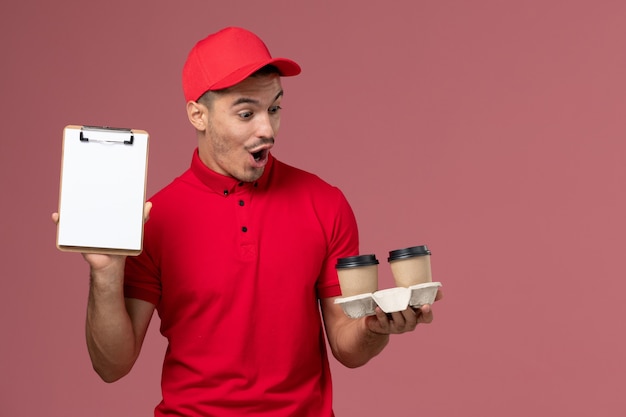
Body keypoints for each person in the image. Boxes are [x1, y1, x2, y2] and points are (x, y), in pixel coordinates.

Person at [56, 26, 443, 416]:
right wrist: (105, 274)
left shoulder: (325, 203)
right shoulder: (156, 218)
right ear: (198, 115)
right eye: (246, 113)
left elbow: (347, 346)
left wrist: (374, 329)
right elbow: (112, 366)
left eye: (274, 108)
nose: (267, 130)